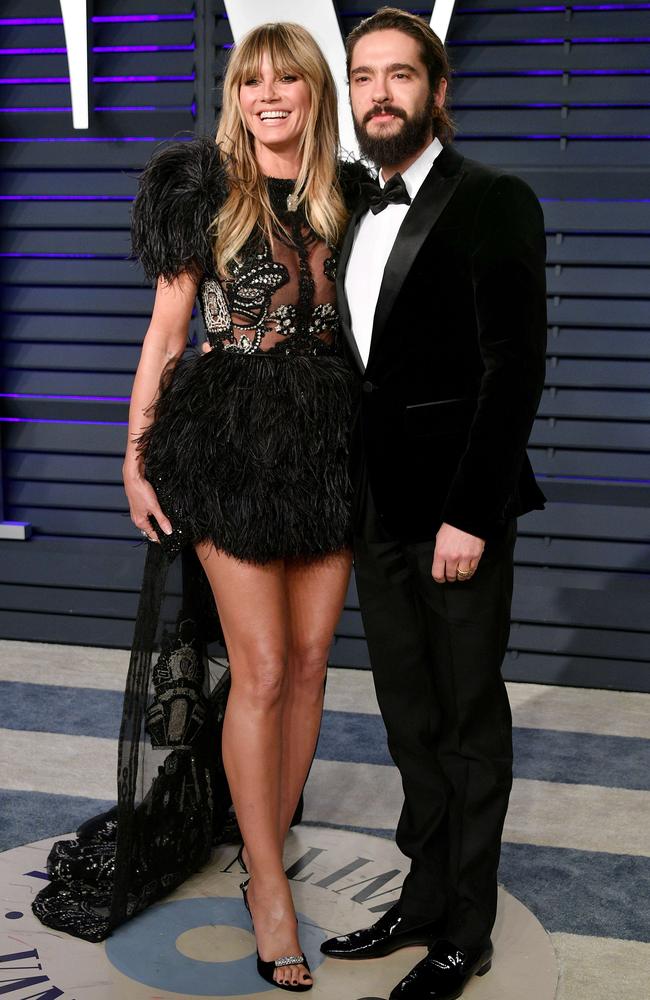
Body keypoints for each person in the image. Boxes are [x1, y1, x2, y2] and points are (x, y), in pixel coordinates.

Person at [32, 22, 367, 994]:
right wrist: (136, 461)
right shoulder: (202, 190)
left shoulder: (346, 195)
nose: (268, 94)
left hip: (329, 442)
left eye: (286, 80)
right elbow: (165, 335)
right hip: (226, 442)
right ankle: (268, 888)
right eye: (251, 80)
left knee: (308, 664)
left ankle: (269, 821)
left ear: (312, 94)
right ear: (236, 93)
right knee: (257, 666)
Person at [320, 8, 547, 1000]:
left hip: (458, 514)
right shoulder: (351, 213)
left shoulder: (493, 199)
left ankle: (467, 927)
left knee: (465, 724)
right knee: (407, 721)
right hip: (375, 514)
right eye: (362, 77)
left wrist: (469, 511)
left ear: (435, 91)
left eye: (397, 76)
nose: (378, 94)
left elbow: (513, 371)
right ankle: (420, 897)